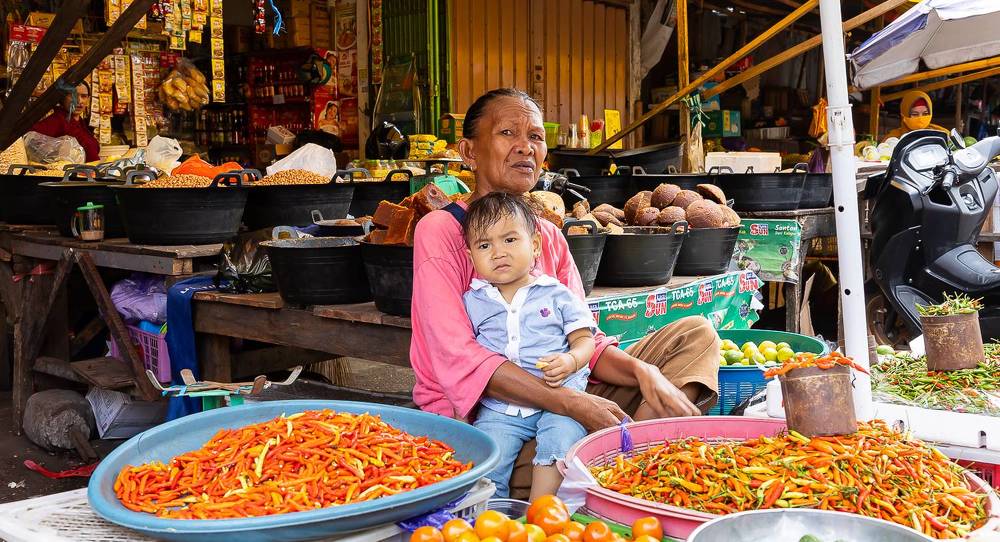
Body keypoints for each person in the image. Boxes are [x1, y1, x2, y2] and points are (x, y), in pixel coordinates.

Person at [409, 88, 720, 498]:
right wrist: (574, 406)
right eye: (508, 133)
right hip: (489, 418)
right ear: (469, 151)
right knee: (507, 459)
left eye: (536, 138)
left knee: (695, 335)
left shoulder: (550, 237)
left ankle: (624, 461)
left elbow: (583, 338)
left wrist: (645, 373)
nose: (525, 148)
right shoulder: (443, 231)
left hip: (562, 398)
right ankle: (613, 465)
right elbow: (459, 359)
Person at [462, 192, 595, 499]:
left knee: (560, 440)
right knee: (487, 456)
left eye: (510, 240)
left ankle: (542, 512)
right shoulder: (473, 301)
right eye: (484, 245)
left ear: (534, 246)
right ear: (471, 257)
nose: (498, 253)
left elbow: (585, 339)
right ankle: (492, 520)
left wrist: (572, 361)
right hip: (502, 406)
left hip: (561, 391)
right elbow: (465, 355)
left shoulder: (555, 293)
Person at [30, 81, 99, 162]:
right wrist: (54, 152)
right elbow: (29, 138)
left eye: (84, 96)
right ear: (63, 97)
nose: (79, 101)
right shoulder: (57, 120)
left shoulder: (80, 122)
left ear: (88, 99)